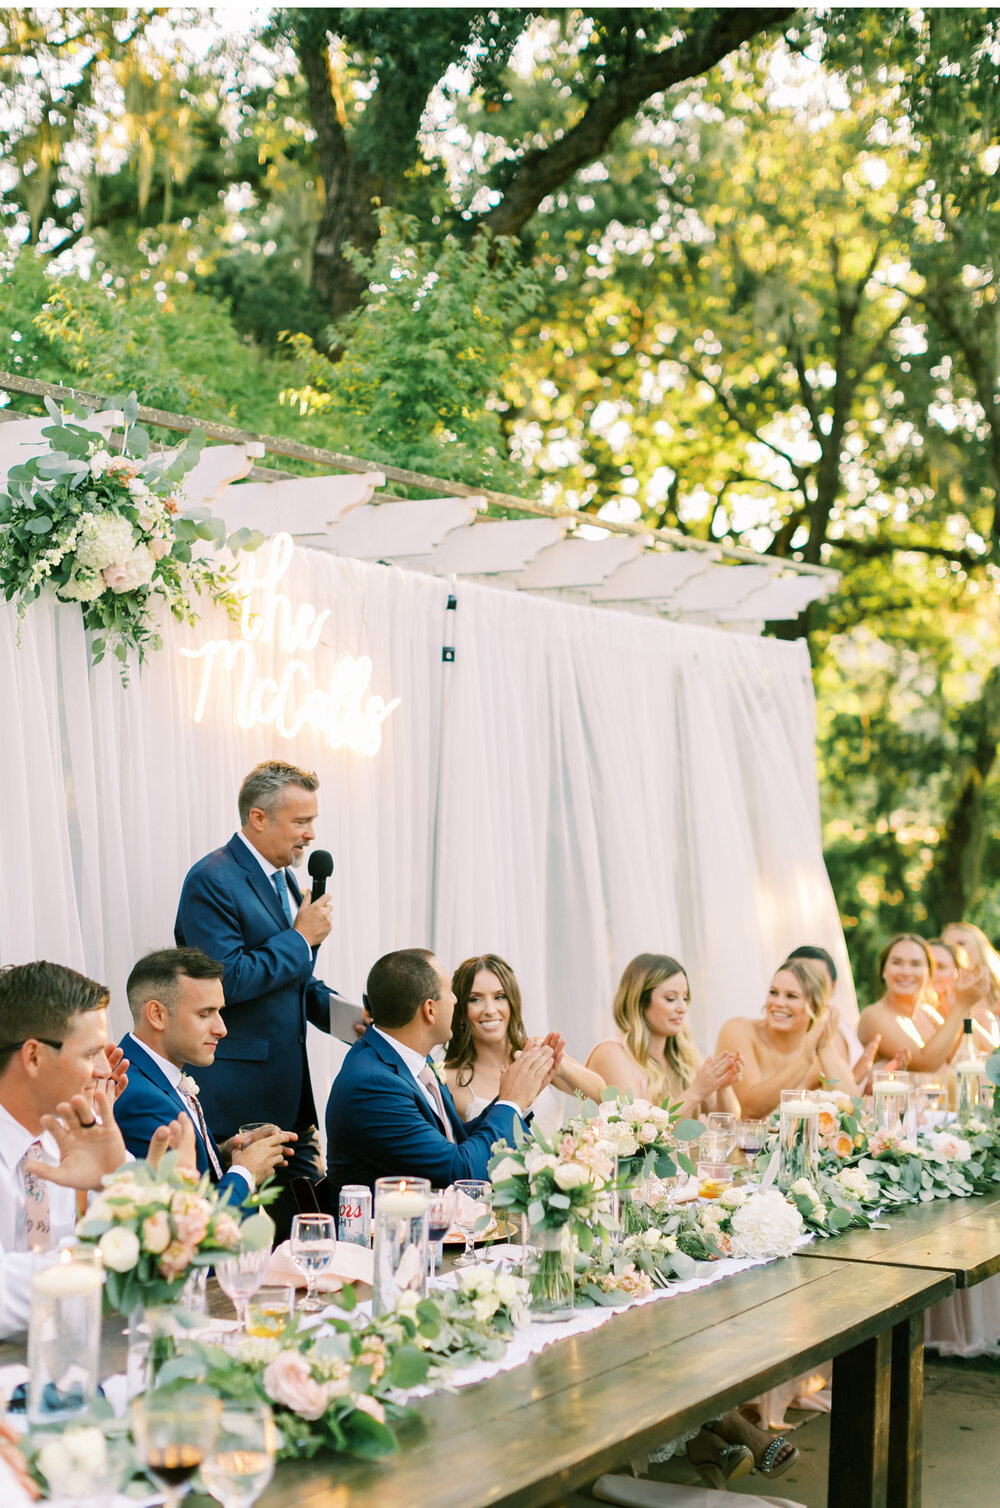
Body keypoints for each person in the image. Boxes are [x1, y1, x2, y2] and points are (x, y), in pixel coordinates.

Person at [175, 759, 362, 1233]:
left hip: (292, 1095)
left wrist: (346, 1019)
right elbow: (224, 980)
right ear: (259, 818)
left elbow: (292, 982)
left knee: (312, 1230)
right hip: (239, 1100)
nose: (311, 835)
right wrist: (300, 939)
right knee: (225, 1237)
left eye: (313, 821)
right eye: (301, 822)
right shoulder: (211, 880)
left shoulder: (286, 880)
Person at [0, 961, 190, 1336]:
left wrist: (117, 1182)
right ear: (34, 1057)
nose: (106, 1070)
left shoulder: (83, 1133)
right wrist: (117, 1243)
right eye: (90, 1055)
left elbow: (151, 1253)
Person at [326, 949, 557, 1205]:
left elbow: (455, 1141)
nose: (456, 1000)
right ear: (430, 1010)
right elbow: (459, 1174)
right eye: (450, 992)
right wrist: (510, 1103)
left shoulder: (414, 1060)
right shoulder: (372, 1085)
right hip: (389, 1238)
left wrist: (519, 1098)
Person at [113, 948, 298, 1205]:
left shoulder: (153, 1075)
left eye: (219, 1011)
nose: (221, 1029)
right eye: (205, 1013)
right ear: (157, 1015)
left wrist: (222, 1155)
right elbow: (188, 1221)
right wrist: (246, 1173)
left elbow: (185, 1176)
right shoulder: (141, 1099)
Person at [443, 954, 605, 1130]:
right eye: (475, 999)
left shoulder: (535, 1050)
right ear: (460, 1009)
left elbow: (601, 1095)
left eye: (500, 996)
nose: (490, 1010)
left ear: (512, 1002)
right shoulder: (449, 1078)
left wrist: (558, 1065)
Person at [585, 954, 742, 1117]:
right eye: (671, 998)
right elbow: (639, 1134)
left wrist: (723, 1086)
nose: (683, 1007)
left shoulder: (685, 1051)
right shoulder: (611, 1054)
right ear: (640, 1002)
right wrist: (696, 1092)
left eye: (685, 998)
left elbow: (726, 1122)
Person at [716, 957, 858, 1119]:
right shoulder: (739, 1030)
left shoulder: (825, 1045)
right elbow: (751, 1108)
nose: (778, 1002)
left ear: (815, 1006)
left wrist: (825, 1047)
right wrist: (805, 1060)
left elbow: (853, 1111)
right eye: (773, 993)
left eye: (791, 996)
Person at [857, 934, 968, 1074]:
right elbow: (925, 1064)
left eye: (915, 964)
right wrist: (962, 1005)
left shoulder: (928, 1014)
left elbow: (960, 1058)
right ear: (884, 970)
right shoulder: (873, 1015)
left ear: (929, 973)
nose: (905, 972)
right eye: (896, 963)